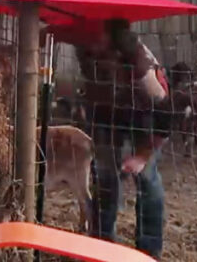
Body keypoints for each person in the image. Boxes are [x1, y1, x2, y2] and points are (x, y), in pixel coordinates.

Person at [70, 18, 172, 259]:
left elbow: (165, 116)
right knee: (104, 174)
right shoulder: (87, 50)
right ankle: (102, 244)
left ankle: (149, 251)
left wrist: (143, 156)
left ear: (111, 39)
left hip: (144, 118)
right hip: (105, 113)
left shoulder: (141, 67)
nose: (89, 40)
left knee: (147, 178)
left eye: (94, 35)